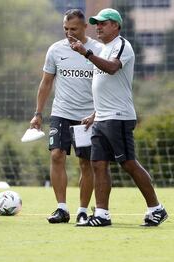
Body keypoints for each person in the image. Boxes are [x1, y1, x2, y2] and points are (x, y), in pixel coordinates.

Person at [69, 8, 168, 226]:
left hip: (119, 117)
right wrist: (95, 114)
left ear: (116, 25)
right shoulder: (103, 49)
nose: (98, 27)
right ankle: (102, 215)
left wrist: (86, 53)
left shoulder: (122, 45)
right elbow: (104, 87)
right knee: (98, 164)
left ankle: (156, 209)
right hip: (102, 118)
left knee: (128, 163)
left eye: (103, 23)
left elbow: (113, 69)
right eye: (96, 23)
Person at [30, 9, 103, 225]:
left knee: (85, 163)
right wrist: (38, 113)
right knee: (56, 155)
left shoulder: (97, 49)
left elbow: (106, 84)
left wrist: (97, 113)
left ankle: (82, 211)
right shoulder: (55, 50)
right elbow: (46, 82)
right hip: (61, 112)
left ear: (84, 28)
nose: (69, 33)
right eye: (65, 29)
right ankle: (62, 209)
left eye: (73, 29)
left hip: (87, 116)